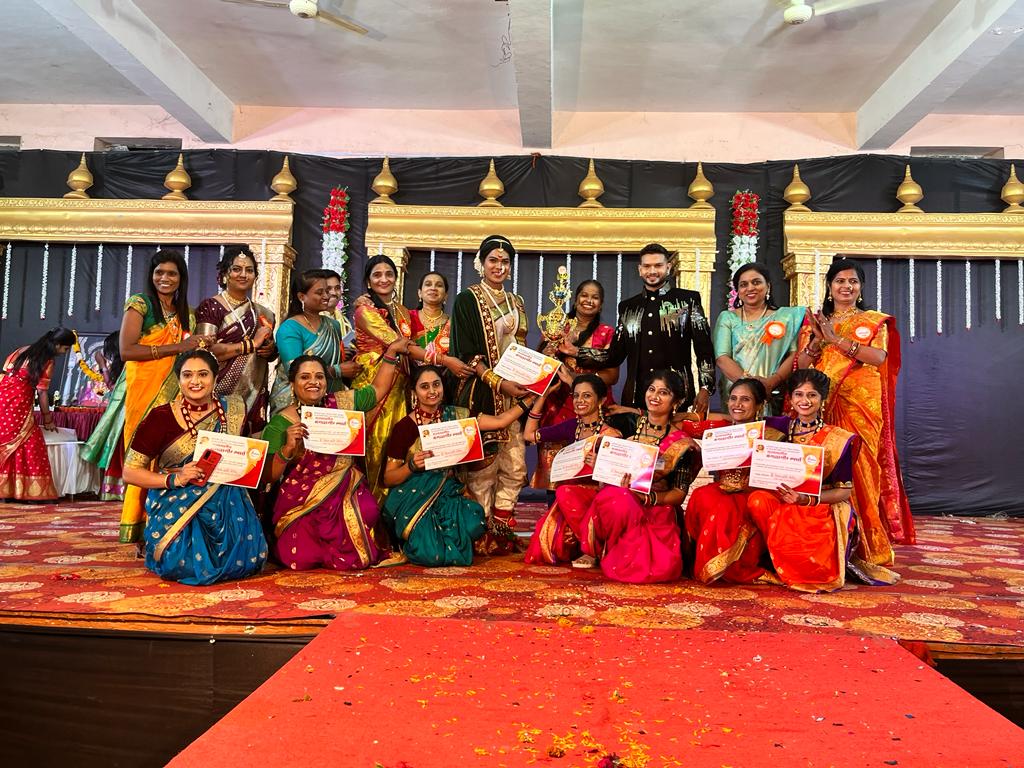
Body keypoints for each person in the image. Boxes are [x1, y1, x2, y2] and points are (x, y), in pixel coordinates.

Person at [797, 258, 913, 565]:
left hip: (860, 404)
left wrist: (836, 340)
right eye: (840, 281)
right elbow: (802, 366)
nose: (846, 286)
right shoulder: (816, 322)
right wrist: (817, 343)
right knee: (824, 466)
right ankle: (825, 544)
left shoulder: (872, 321)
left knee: (861, 466)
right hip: (821, 403)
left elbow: (878, 357)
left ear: (861, 287)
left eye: (853, 281)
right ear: (829, 286)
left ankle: (864, 545)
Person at [260, 339, 410, 571]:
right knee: (302, 557)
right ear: (292, 384)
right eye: (305, 377)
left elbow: (378, 391)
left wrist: (390, 353)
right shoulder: (282, 422)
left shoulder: (342, 404)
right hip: (302, 497)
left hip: (345, 486)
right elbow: (268, 476)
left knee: (367, 510)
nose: (313, 382)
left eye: (319, 377)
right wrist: (287, 448)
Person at [121, 350, 268, 585]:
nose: (195, 381)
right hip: (176, 498)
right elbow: (130, 472)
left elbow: (250, 452)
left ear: (215, 377)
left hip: (227, 498)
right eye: (187, 375)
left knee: (247, 559)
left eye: (203, 374)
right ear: (178, 379)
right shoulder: (160, 417)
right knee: (180, 564)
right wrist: (174, 479)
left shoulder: (234, 409)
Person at [746, 370, 898, 592]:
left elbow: (843, 492)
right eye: (799, 394)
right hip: (782, 499)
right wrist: (693, 421)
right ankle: (777, 560)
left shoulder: (837, 439)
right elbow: (739, 424)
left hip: (818, 503)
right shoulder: (776, 426)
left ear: (822, 399)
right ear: (791, 398)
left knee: (806, 520)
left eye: (812, 395)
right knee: (757, 500)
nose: (805, 401)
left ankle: (801, 568)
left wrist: (805, 499)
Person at [381, 365, 536, 566]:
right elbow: (388, 478)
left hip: (448, 493)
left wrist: (531, 399)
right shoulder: (404, 428)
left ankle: (442, 539)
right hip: (415, 496)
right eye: (424, 387)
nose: (432, 391)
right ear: (414, 392)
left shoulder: (458, 416)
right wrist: (411, 466)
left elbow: (500, 421)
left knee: (474, 522)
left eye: (436, 384)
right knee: (430, 553)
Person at [108, 250, 213, 543]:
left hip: (175, 390)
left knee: (170, 451)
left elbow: (188, 352)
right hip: (144, 390)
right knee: (142, 453)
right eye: (159, 273)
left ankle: (164, 519)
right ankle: (134, 523)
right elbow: (127, 350)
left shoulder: (185, 313)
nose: (165, 278)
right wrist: (180, 348)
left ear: (181, 278)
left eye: (172, 273)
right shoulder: (140, 304)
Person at [570, 369, 697, 583]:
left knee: (662, 567)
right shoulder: (627, 424)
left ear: (676, 402)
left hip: (656, 507)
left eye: (663, 392)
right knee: (616, 498)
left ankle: (615, 554)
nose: (655, 396)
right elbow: (608, 472)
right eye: (651, 390)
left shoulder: (681, 443)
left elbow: (678, 493)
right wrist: (601, 465)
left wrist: (646, 498)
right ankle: (602, 549)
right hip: (618, 499)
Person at [449, 235, 532, 554]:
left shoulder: (516, 301)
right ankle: (479, 532)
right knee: (483, 469)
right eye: (493, 260)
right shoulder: (467, 299)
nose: (499, 266)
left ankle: (502, 530)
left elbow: (520, 346)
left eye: (505, 261)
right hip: (482, 392)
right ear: (480, 263)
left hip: (515, 392)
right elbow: (467, 353)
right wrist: (499, 383)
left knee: (515, 466)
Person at [562, 243, 716, 412]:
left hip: (676, 395)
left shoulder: (687, 300)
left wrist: (705, 388)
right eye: (647, 266)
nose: (652, 271)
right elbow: (614, 355)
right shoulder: (628, 307)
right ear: (640, 269)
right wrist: (576, 352)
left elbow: (704, 349)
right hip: (636, 396)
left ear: (668, 267)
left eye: (658, 265)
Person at [684, 378, 785, 585]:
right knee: (701, 496)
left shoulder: (771, 436)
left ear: (759, 405)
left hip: (753, 492)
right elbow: (682, 425)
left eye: (745, 399)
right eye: (733, 398)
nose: (737, 404)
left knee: (725, 507)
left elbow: (775, 476)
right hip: (722, 488)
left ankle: (734, 567)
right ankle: (700, 560)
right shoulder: (721, 430)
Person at [522, 373, 623, 568]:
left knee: (564, 492)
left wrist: (600, 466)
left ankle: (592, 550)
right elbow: (529, 435)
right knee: (546, 543)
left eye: (587, 396)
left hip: (600, 497)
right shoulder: (573, 427)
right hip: (572, 500)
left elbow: (618, 480)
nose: (579, 401)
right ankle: (587, 542)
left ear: (601, 400)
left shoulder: (611, 436)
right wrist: (542, 396)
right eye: (576, 396)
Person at [531, 279, 618, 491]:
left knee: (589, 468)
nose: (589, 300)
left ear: (601, 304)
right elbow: (538, 365)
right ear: (576, 299)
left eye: (595, 297)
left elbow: (612, 375)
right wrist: (547, 353)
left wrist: (576, 380)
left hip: (591, 407)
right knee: (555, 467)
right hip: (556, 404)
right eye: (584, 295)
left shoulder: (607, 333)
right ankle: (554, 508)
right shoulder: (557, 327)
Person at [195, 246, 277, 434]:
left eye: (249, 270)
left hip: (254, 390)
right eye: (236, 269)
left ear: (255, 276)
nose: (243, 275)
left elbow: (269, 354)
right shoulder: (212, 307)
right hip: (219, 391)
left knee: (250, 443)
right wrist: (251, 344)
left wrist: (270, 350)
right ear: (225, 274)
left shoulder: (264, 313)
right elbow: (204, 352)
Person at [713, 262, 803, 414]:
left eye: (756, 282)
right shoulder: (728, 318)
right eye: (743, 284)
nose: (750, 288)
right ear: (738, 291)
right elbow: (722, 357)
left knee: (772, 429)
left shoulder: (786, 317)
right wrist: (750, 389)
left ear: (768, 286)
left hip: (773, 391)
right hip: (736, 394)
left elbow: (793, 354)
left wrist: (771, 383)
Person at [0, 328, 75, 501]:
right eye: (65, 348)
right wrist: (48, 419)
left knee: (16, 443)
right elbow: (42, 392)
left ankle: (9, 491)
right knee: (32, 444)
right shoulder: (46, 361)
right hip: (18, 402)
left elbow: (5, 373)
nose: (65, 352)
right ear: (57, 345)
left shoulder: (21, 350)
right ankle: (32, 493)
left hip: (3, 398)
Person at [270, 271, 346, 413]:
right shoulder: (290, 328)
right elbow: (294, 371)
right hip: (293, 404)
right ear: (301, 297)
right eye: (319, 292)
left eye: (327, 291)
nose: (326, 296)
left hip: (328, 400)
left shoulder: (333, 326)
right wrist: (337, 370)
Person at [80, 331, 126, 499]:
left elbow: (115, 389)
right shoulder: (123, 365)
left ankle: (122, 490)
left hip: (126, 416)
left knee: (120, 448)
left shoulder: (131, 363)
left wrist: (103, 365)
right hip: (119, 415)